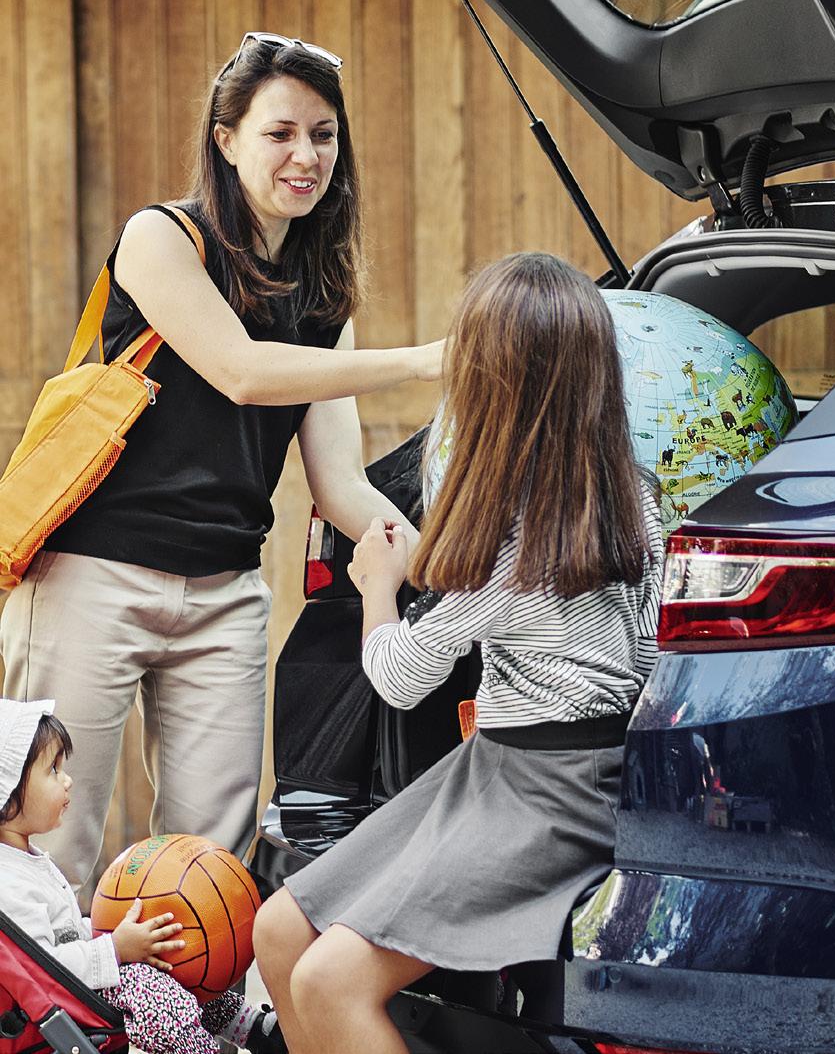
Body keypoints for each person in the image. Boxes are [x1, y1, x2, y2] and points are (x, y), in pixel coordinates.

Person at [1, 33, 442, 891]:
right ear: (226, 137)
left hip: (224, 596)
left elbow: (341, 485)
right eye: (280, 133)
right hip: (94, 575)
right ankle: (42, 1022)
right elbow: (242, 371)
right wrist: (421, 360)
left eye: (324, 134)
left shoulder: (323, 296)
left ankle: (187, 1027)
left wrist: (444, 563)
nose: (305, 155)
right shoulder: (162, 239)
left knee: (211, 871)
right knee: (47, 846)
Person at [252, 251, 665, 1054]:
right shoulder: (634, 494)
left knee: (324, 978)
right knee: (278, 931)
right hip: (518, 770)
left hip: (547, 794)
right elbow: (646, 653)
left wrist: (377, 584)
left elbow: (402, 680)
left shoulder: (515, 534)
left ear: (494, 389)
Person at [0, 697, 284, 1054]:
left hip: (90, 978)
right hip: (72, 996)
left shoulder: (28, 859)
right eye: (53, 770)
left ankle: (253, 1027)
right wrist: (116, 948)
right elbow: (39, 970)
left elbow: (64, 933)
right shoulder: (8, 883)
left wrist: (112, 928)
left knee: (183, 964)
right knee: (162, 993)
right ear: (8, 788)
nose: (68, 780)